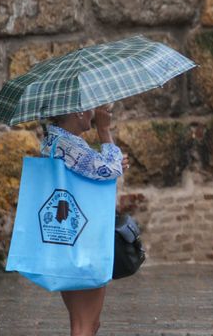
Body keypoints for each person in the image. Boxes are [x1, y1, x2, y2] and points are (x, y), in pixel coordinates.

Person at [43, 104, 128, 336]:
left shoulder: (54, 140)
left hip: (68, 240)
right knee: (84, 326)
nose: (94, 112)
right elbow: (108, 170)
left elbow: (104, 169)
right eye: (91, 107)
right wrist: (104, 130)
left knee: (87, 323)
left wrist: (113, 165)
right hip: (84, 244)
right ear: (77, 111)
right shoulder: (68, 144)